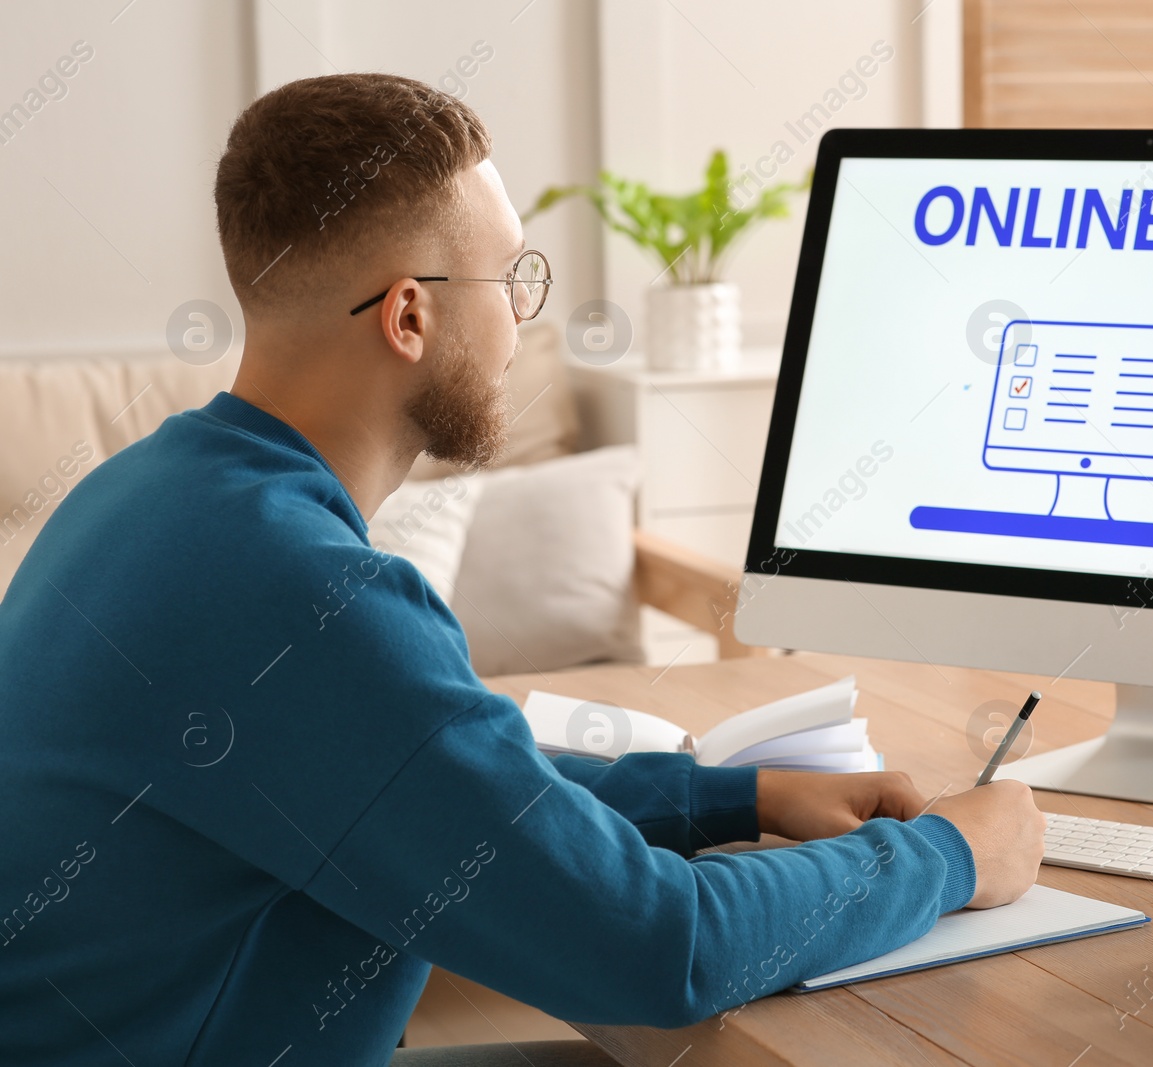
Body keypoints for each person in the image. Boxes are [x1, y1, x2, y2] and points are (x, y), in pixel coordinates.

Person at [0, 73, 1044, 1066]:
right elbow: (656, 948)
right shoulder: (308, 598)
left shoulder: (146, 495)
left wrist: (733, 797)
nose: (523, 318)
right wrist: (947, 854)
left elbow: (430, 784)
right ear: (409, 315)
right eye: (514, 278)